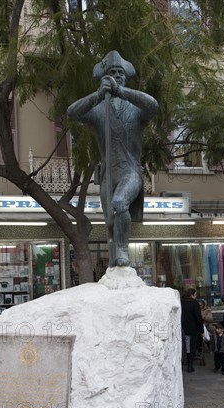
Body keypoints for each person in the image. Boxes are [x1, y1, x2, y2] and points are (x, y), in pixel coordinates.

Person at [67, 50, 158, 267]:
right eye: (112, 72)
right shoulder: (99, 110)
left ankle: (123, 251)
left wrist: (123, 92)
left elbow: (153, 105)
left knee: (119, 203)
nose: (116, 76)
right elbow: (72, 113)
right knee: (109, 223)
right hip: (108, 173)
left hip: (130, 171)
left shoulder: (136, 110)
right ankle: (114, 259)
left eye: (120, 73)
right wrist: (98, 95)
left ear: (125, 78)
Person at [181, 288, 204, 373]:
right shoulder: (194, 303)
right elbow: (198, 318)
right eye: (195, 294)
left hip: (183, 328)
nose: (196, 296)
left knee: (186, 346)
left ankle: (185, 361)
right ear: (192, 295)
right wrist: (201, 330)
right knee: (192, 346)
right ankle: (190, 365)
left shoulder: (182, 302)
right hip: (192, 329)